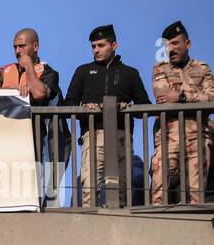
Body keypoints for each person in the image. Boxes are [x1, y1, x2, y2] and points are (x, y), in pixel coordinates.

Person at [64, 25, 150, 208]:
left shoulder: (130, 73)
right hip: (93, 135)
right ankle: (89, 226)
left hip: (122, 136)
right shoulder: (83, 71)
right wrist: (84, 108)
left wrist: (129, 107)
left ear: (114, 45)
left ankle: (118, 228)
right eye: (93, 46)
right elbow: (68, 103)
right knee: (89, 186)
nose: (96, 50)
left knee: (122, 189)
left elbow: (146, 107)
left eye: (101, 45)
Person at [0, 28, 68, 207]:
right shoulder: (2, 72)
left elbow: (39, 93)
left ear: (35, 46)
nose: (17, 51)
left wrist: (29, 67)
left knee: (42, 191)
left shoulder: (49, 72)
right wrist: (14, 90)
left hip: (39, 141)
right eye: (15, 47)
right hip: (9, 142)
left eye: (22, 46)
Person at [150, 20, 214, 205]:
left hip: (197, 138)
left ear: (188, 44)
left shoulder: (202, 68)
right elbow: (163, 95)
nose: (171, 48)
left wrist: (182, 96)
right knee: (159, 196)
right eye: (167, 45)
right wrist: (196, 96)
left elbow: (211, 98)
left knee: (196, 197)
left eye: (175, 43)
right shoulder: (160, 68)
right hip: (168, 138)